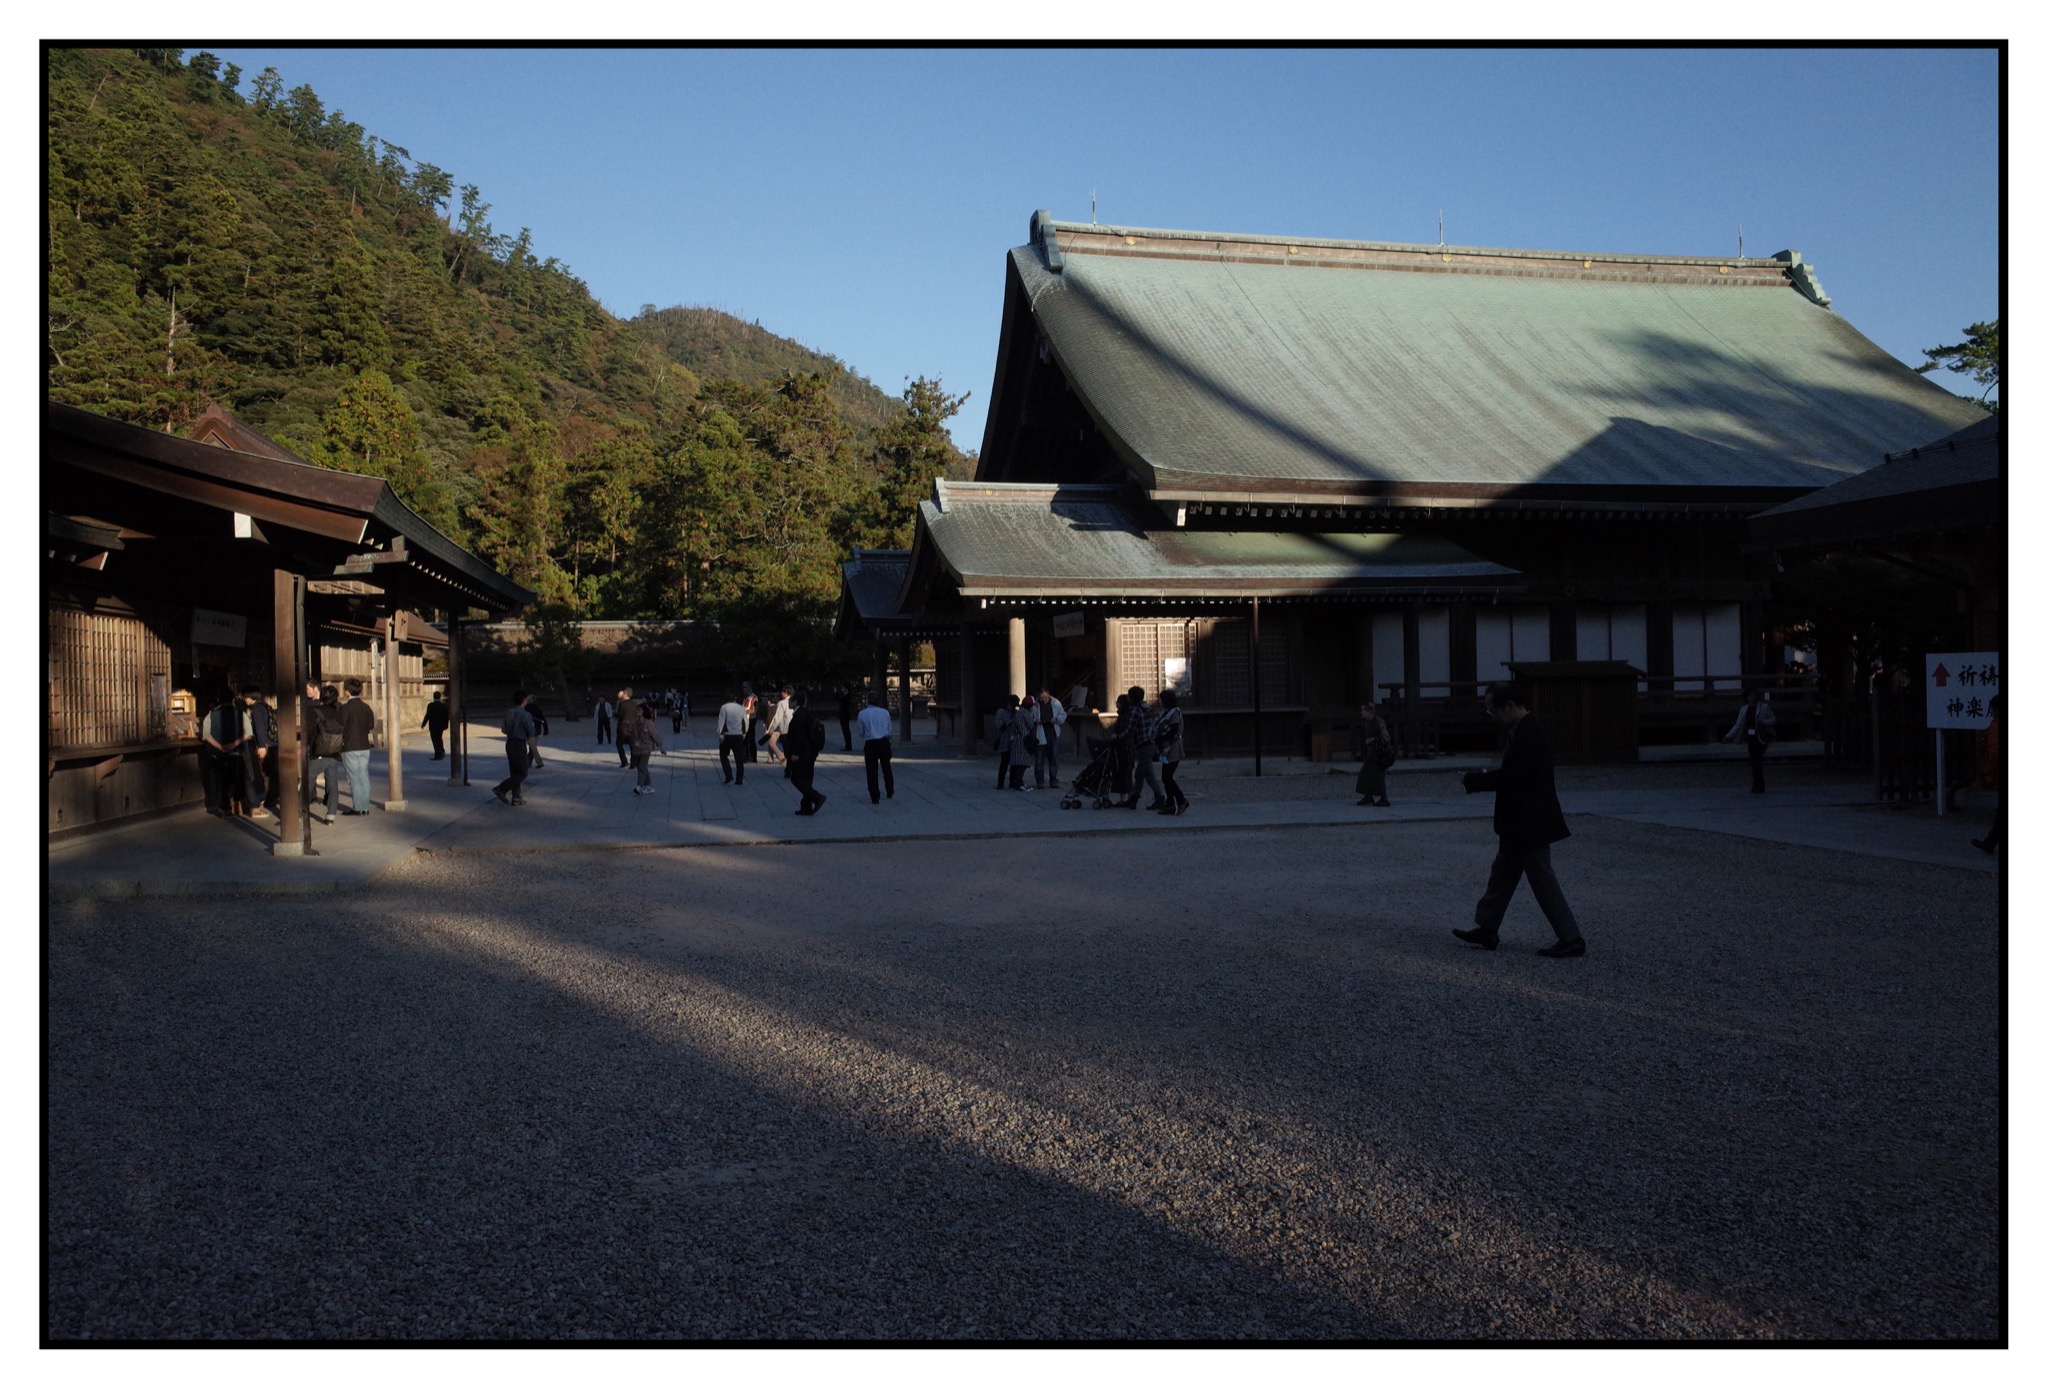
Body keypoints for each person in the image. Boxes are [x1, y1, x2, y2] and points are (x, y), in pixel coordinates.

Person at [1453, 682, 1587, 958]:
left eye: (1493, 711)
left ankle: (1571, 938)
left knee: (1542, 879)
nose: (1493, 717)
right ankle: (1487, 928)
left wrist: (1473, 780)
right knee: (1502, 874)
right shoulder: (1524, 731)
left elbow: (1512, 778)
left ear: (1510, 706)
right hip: (1521, 821)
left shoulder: (1529, 734)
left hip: (1530, 821)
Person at [1119, 685, 1167, 810]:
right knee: (1139, 775)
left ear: (1131, 698)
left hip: (1143, 746)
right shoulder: (1147, 708)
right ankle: (1134, 798)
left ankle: (1159, 798)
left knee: (1149, 775)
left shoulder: (1135, 711)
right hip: (1151, 744)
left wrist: (1118, 737)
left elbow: (1130, 730)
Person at [200, 687, 245, 817]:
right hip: (236, 752)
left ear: (219, 699)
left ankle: (225, 808)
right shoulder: (240, 714)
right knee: (237, 779)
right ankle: (238, 805)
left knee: (221, 781)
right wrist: (234, 744)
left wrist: (220, 747)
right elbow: (247, 733)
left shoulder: (211, 715)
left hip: (218, 754)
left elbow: (206, 736)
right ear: (233, 699)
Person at [307, 683, 348, 822]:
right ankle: (331, 814)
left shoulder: (314, 711)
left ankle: (300, 811)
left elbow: (310, 732)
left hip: (318, 751)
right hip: (335, 751)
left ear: (322, 697)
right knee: (332, 783)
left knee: (309, 780)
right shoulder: (340, 711)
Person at [1722, 687, 1777, 793]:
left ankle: (1758, 784)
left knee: (1757, 761)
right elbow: (1737, 725)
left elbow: (1773, 719)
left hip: (1760, 736)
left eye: (1754, 695)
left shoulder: (1764, 707)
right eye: (1750, 695)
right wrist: (1728, 736)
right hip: (1751, 737)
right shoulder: (1744, 709)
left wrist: (1763, 721)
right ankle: (1757, 784)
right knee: (1754, 761)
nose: (1752, 697)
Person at [338, 677, 376, 816]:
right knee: (363, 776)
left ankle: (358, 807)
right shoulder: (366, 707)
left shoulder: (345, 708)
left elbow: (340, 726)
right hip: (364, 746)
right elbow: (371, 725)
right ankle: (365, 806)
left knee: (354, 778)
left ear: (347, 691)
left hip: (350, 746)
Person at [785, 690, 828, 815]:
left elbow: (799, 736)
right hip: (811, 751)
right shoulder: (807, 713)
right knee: (807, 779)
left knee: (796, 778)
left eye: (790, 701)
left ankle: (817, 797)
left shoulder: (799, 716)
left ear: (796, 702)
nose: (789, 703)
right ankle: (806, 807)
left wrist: (796, 752)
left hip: (803, 753)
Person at [493, 690, 535, 806]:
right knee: (522, 772)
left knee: (514, 771)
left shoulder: (509, 712)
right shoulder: (526, 715)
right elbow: (531, 731)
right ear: (524, 700)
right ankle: (502, 788)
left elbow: (504, 729)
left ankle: (516, 796)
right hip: (520, 743)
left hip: (510, 742)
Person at [241, 686, 276, 818]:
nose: (245, 700)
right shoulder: (266, 706)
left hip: (265, 744)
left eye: (246, 697)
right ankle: (272, 797)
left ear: (251, 697)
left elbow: (259, 729)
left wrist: (261, 746)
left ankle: (268, 798)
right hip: (272, 743)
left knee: (265, 773)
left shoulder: (256, 710)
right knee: (271, 772)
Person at [1973, 695, 2001, 855]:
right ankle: (1990, 842)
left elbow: (1995, 753)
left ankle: (1990, 842)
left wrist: (1988, 772)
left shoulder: (1995, 727)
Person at [857, 689, 895, 803]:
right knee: (886, 767)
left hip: (870, 743)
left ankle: (874, 796)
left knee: (871, 771)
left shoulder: (862, 714)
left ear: (868, 701)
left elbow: (860, 731)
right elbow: (889, 729)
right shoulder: (885, 712)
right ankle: (889, 790)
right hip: (884, 741)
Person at [1155, 687, 1189, 815]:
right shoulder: (1167, 712)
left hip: (1173, 747)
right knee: (1166, 777)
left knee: (1167, 777)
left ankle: (1181, 800)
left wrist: (1160, 739)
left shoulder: (1174, 713)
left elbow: (1173, 730)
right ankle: (1170, 805)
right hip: (1166, 747)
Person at [1355, 700, 1393, 807]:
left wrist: (1374, 740)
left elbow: (1385, 737)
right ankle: (1368, 795)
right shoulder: (1367, 723)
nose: (1361, 712)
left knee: (1379, 776)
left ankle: (1384, 798)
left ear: (1369, 712)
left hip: (1379, 753)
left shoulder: (1378, 722)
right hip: (1371, 753)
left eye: (1363, 710)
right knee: (1365, 774)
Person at [1034, 687, 1068, 789]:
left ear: (1048, 694)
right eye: (1041, 698)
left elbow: (1063, 715)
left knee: (1053, 758)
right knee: (1039, 759)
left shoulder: (1056, 703)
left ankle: (1053, 780)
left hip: (1053, 733)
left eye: (1045, 697)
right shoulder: (1035, 704)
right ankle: (1040, 780)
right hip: (1040, 733)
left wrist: (1056, 719)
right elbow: (1030, 717)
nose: (1043, 700)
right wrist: (1035, 721)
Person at [628, 701, 663, 795]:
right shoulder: (634, 723)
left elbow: (655, 735)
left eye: (639, 710)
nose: (637, 711)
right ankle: (648, 786)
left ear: (644, 712)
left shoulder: (648, 723)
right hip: (637, 749)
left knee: (642, 767)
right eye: (637, 710)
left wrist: (661, 746)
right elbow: (630, 733)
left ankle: (639, 786)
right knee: (641, 767)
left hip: (646, 748)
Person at [716, 688, 749, 786]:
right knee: (739, 758)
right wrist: (744, 733)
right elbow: (745, 722)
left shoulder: (724, 707)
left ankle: (728, 775)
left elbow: (721, 722)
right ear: (735, 698)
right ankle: (739, 779)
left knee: (723, 755)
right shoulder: (741, 707)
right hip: (738, 734)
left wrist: (720, 735)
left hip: (727, 735)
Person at [994, 694, 1026, 790]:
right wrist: (1011, 721)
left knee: (1014, 762)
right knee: (1004, 762)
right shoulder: (1001, 712)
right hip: (1005, 739)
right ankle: (1000, 782)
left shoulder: (1016, 712)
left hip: (1015, 740)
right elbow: (999, 725)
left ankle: (1012, 781)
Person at [613, 687, 640, 769]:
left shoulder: (622, 704)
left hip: (623, 727)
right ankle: (633, 763)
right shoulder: (635, 704)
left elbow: (620, 715)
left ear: (625, 694)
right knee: (632, 745)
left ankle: (624, 761)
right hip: (633, 727)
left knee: (619, 744)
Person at [422, 691, 451, 760]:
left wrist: (423, 724)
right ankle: (442, 751)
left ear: (433, 697)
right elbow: (446, 716)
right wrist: (446, 725)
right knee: (439, 738)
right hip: (441, 726)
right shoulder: (443, 705)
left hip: (433, 726)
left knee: (434, 740)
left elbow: (427, 715)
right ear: (440, 697)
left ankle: (438, 754)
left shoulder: (430, 705)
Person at [836, 686, 856, 752]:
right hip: (844, 715)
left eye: (843, 688)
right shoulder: (846, 696)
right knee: (845, 730)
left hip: (845, 715)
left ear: (846, 689)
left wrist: (835, 693)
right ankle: (847, 745)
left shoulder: (847, 696)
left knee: (846, 730)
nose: (842, 689)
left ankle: (848, 745)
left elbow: (840, 699)